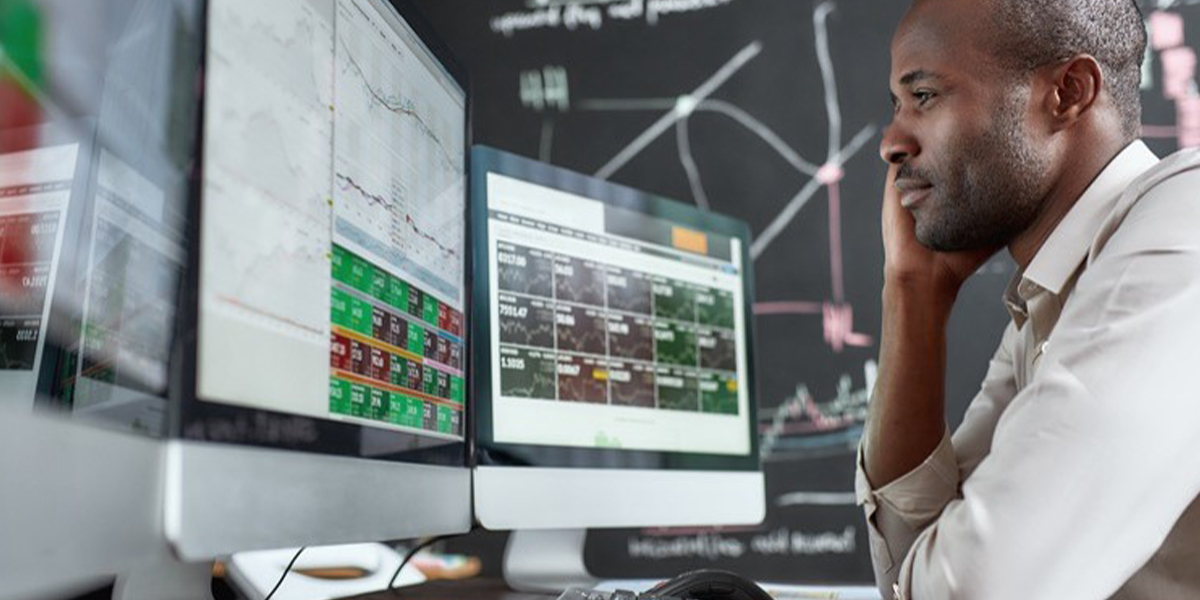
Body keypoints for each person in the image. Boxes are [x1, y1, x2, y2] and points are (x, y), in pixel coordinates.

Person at [858, 0, 1200, 597]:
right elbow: (910, 569)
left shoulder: (1184, 230)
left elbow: (982, 586)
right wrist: (913, 293)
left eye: (925, 97)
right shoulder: (1050, 302)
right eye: (896, 105)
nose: (891, 142)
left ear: (1067, 93)